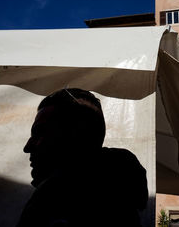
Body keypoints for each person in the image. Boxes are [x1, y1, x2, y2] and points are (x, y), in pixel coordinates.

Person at [17, 88, 148, 227]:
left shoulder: (53, 201)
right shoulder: (120, 203)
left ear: (75, 136)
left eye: (39, 132)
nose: (27, 147)